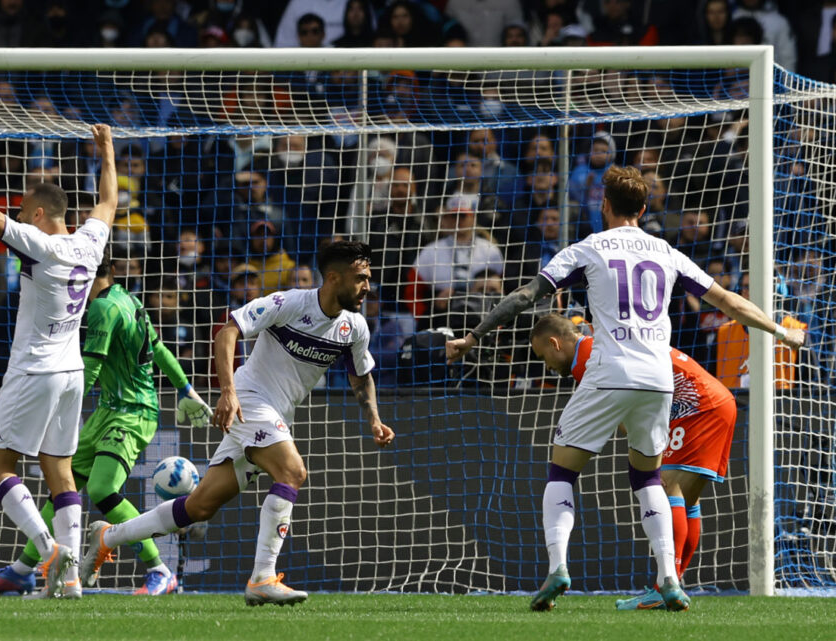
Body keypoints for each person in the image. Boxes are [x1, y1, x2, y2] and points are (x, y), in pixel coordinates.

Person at [445, 166, 804, 612]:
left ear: (605, 205)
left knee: (562, 472)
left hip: (610, 369)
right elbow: (729, 301)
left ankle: (558, 567)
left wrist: (473, 336)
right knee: (648, 477)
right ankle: (669, 577)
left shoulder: (588, 248)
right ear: (644, 206)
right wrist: (780, 331)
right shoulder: (667, 252)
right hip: (657, 378)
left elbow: (525, 296)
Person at [80, 240, 394, 606]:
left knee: (199, 507)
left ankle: (108, 537)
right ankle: (263, 578)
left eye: (368, 278)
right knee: (292, 472)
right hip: (249, 400)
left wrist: (374, 419)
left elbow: (361, 375)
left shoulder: (354, 327)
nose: (367, 286)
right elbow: (227, 331)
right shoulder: (290, 303)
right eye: (360, 278)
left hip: (277, 413)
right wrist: (227, 392)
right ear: (335, 277)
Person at [0, 124, 117, 599]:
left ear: (38, 214)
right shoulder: (90, 241)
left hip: (34, 370)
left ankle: (48, 550)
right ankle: (71, 580)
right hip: (72, 372)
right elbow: (108, 202)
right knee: (60, 471)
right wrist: (107, 150)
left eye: (22, 212)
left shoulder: (41, 244)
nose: (17, 217)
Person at [0, 253, 212, 596]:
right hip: (108, 411)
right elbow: (159, 350)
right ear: (112, 270)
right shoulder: (129, 299)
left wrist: (55, 408)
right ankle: (22, 570)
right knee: (62, 488)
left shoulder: (102, 308)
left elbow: (93, 367)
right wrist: (186, 389)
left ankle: (160, 570)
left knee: (101, 490)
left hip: (132, 413)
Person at [529, 313, 737, 610]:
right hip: (715, 399)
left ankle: (664, 586)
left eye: (543, 356)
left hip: (698, 405)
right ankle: (670, 583)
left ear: (555, 343)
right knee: (686, 498)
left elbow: (625, 420)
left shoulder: (590, 357)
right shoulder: (604, 345)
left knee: (666, 485)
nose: (546, 365)